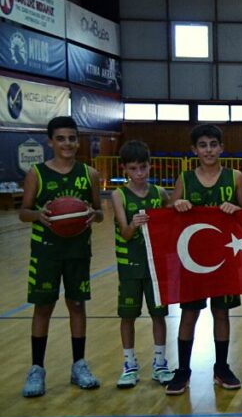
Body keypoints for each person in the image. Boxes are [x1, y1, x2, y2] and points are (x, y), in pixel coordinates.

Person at [20, 116, 104, 398]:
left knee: (77, 305)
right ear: (50, 142)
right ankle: (37, 369)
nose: (67, 143)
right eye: (61, 139)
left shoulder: (89, 174)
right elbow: (24, 212)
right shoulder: (37, 174)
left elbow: (99, 212)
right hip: (46, 251)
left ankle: (79, 365)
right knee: (43, 307)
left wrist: (93, 214)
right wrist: (38, 215)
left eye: (71, 138)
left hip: (78, 251)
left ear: (78, 141)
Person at [166, 124, 242, 395]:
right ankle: (183, 370)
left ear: (222, 147)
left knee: (221, 312)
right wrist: (176, 205)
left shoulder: (235, 177)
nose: (209, 150)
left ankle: (221, 367)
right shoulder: (185, 178)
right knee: (189, 313)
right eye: (203, 145)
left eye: (214, 144)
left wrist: (236, 208)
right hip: (192, 260)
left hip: (225, 257)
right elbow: (168, 214)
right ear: (194, 150)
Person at [110, 140, 173, 389]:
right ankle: (129, 364)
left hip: (156, 266)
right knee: (128, 316)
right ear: (124, 169)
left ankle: (160, 363)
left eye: (143, 167)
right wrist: (134, 224)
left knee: (159, 315)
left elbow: (172, 224)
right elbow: (125, 233)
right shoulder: (118, 195)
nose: (139, 173)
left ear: (150, 166)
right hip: (130, 265)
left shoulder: (159, 193)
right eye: (133, 169)